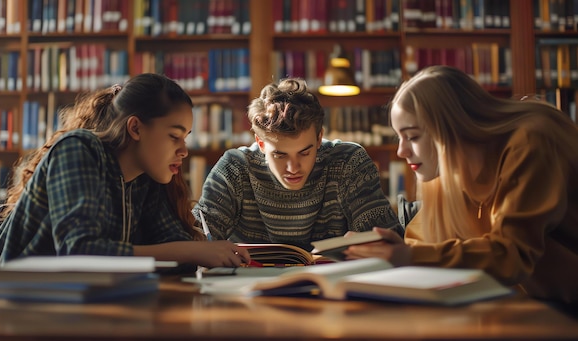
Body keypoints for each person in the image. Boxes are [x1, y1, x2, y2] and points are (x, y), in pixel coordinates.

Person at [0, 73, 250, 281]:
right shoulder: (79, 149)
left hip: (85, 302)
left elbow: (175, 249)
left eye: (185, 138)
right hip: (15, 299)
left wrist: (199, 253)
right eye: (173, 136)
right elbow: (79, 252)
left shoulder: (146, 177)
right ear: (135, 128)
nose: (184, 151)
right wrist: (192, 251)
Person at [344, 65, 578, 305]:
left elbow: (511, 255)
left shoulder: (532, 141)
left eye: (412, 136)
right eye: (399, 137)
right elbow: (423, 246)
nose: (401, 151)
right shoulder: (452, 173)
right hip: (525, 310)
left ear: (453, 126)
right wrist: (387, 253)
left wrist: (410, 257)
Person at [193, 77, 403, 252]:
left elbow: (387, 245)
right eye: (280, 155)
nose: (293, 168)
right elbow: (196, 242)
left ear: (320, 138)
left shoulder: (349, 162)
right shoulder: (235, 168)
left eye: (304, 152)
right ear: (260, 143)